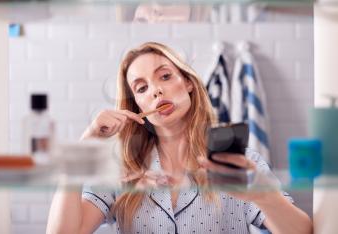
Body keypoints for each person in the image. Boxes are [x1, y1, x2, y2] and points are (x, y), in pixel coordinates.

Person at [47, 42, 312, 234]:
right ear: (137, 106)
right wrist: (86, 144)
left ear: (188, 83)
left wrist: (263, 196)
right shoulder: (119, 171)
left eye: (165, 76)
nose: (157, 90)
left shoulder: (238, 162)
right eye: (142, 88)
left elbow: (302, 232)